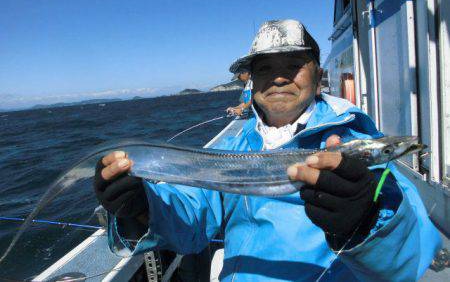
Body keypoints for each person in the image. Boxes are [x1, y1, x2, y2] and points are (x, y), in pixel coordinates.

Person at [94, 19, 441, 281]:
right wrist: (141, 207)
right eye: (265, 69)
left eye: (293, 65)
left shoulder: (353, 142)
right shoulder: (234, 146)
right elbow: (190, 223)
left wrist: (365, 222)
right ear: (251, 82)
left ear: (317, 74)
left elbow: (410, 260)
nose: (277, 78)